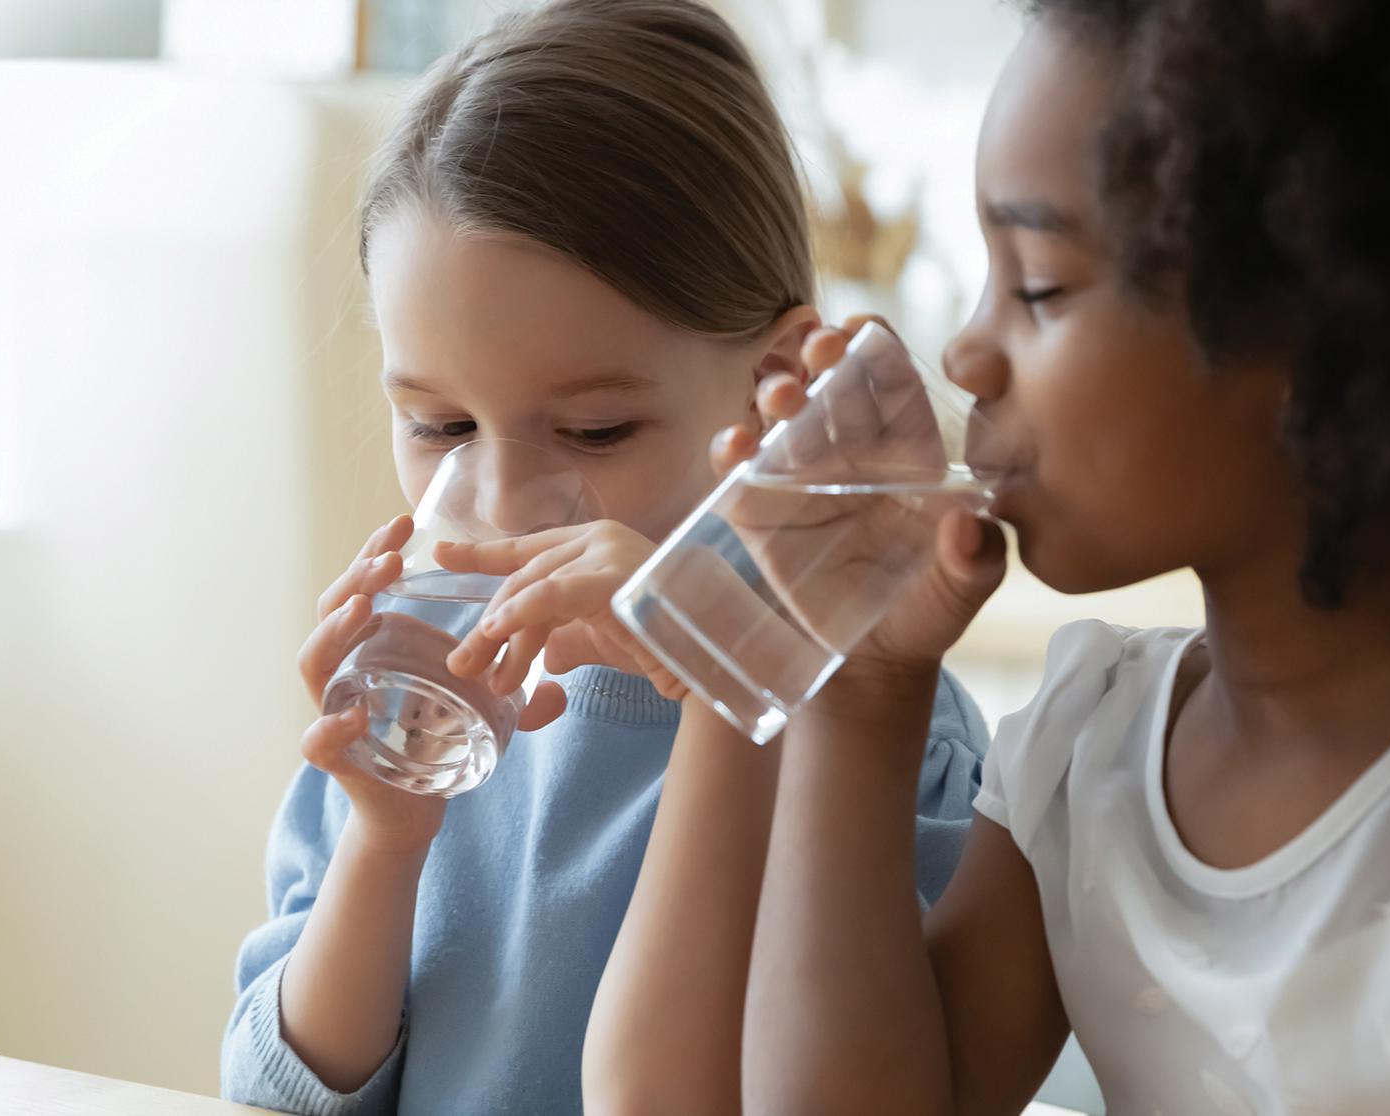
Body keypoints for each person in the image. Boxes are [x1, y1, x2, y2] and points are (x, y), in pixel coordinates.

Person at [590, 0, 1390, 1111]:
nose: (967, 355)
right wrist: (861, 693)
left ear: (1330, 328)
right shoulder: (1086, 752)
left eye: (1036, 286)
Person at [217, 3, 989, 1112]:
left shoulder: (870, 723)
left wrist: (722, 650)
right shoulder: (417, 708)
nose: (497, 504)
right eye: (438, 425)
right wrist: (384, 847)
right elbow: (273, 1093)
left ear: (775, 393)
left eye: (594, 434)